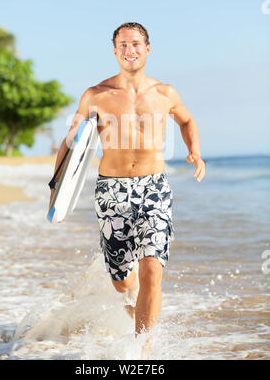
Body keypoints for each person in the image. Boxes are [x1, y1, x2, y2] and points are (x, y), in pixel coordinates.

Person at [49, 22, 205, 357]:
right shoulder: (96, 95)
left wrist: (195, 151)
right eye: (122, 44)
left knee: (152, 268)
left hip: (154, 189)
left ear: (148, 48)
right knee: (121, 280)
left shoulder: (166, 93)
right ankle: (133, 298)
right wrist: (56, 190)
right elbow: (70, 143)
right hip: (111, 192)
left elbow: (187, 120)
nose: (129, 50)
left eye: (135, 43)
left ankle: (142, 352)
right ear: (114, 50)